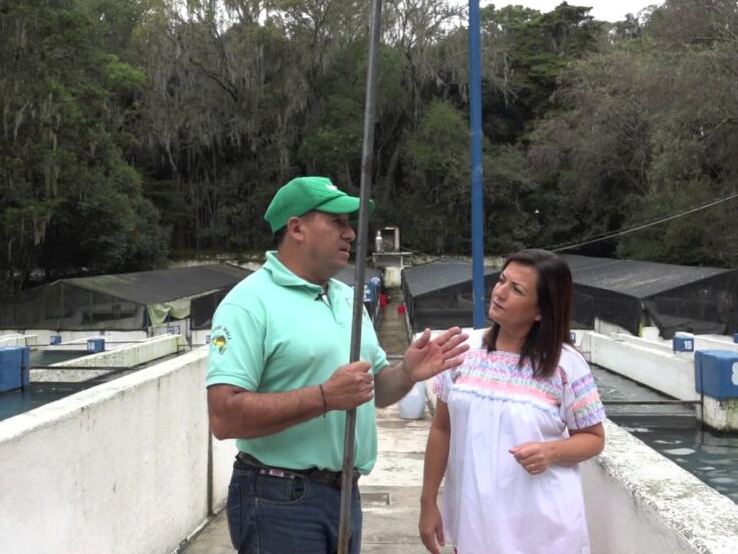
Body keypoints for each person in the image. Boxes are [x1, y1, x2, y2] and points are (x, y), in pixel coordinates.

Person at [206, 176, 470, 554]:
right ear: (296, 228)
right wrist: (325, 397)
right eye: (337, 222)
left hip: (344, 494)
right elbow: (224, 417)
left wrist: (406, 373)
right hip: (277, 497)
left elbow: (374, 390)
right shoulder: (248, 304)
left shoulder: (347, 297)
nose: (351, 233)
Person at [418, 249, 606, 554]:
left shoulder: (565, 365)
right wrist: (428, 502)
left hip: (543, 533)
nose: (500, 293)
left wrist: (551, 452)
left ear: (541, 310)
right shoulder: (463, 351)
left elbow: (594, 438)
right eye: (501, 280)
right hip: (475, 524)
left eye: (516, 289)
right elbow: (442, 429)